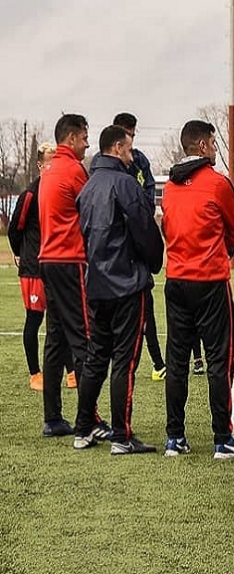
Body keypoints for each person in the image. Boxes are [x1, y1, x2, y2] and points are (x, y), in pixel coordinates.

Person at [73, 125, 164, 454]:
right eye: (128, 147)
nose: (131, 153)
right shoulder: (125, 184)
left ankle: (83, 428)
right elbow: (146, 232)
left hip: (96, 284)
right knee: (124, 361)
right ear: (116, 147)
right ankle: (122, 437)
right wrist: (153, 262)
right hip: (126, 283)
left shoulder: (88, 187)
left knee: (96, 358)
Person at [161, 120, 234, 459]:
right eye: (212, 142)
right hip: (209, 281)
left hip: (176, 280)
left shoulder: (170, 187)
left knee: (177, 360)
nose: (215, 148)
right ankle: (222, 437)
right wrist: (220, 250)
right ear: (201, 146)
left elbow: (168, 227)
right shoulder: (217, 183)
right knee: (218, 360)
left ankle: (174, 437)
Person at [37, 113, 107, 439]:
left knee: (56, 340)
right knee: (84, 339)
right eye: (84, 138)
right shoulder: (73, 169)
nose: (87, 144)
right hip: (70, 261)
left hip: (48, 260)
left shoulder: (49, 170)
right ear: (71, 138)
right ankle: (89, 418)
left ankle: (52, 418)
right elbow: (92, 208)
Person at [7, 142, 75, 391]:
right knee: (34, 320)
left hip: (56, 265)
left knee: (62, 319)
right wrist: (20, 254)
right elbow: (15, 229)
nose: (53, 166)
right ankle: (35, 374)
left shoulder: (61, 190)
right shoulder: (30, 194)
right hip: (34, 268)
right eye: (49, 162)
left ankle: (71, 372)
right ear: (39, 164)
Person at [112, 112, 167, 381]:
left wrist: (137, 213)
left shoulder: (140, 161)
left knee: (147, 308)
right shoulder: (104, 168)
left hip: (137, 249)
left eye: (133, 134)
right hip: (113, 252)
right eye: (127, 134)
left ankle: (158, 363)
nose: (131, 140)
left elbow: (148, 196)